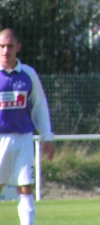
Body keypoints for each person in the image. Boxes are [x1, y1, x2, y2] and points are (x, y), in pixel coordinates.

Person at [0, 28, 54, 225]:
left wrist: (47, 136)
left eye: (10, 46)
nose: (6, 50)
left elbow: (39, 106)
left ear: (18, 47)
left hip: (23, 138)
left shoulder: (28, 74)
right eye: (2, 46)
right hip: (0, 139)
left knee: (26, 186)